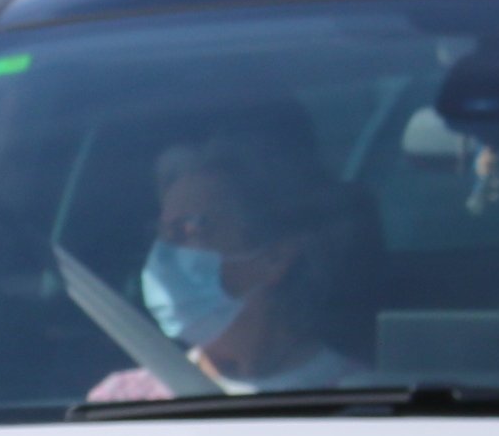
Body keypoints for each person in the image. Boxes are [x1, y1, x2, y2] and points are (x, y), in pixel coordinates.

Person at [92, 108, 368, 398]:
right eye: (162, 233)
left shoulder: (370, 402)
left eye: (189, 229)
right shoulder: (123, 399)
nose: (163, 253)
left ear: (275, 257)